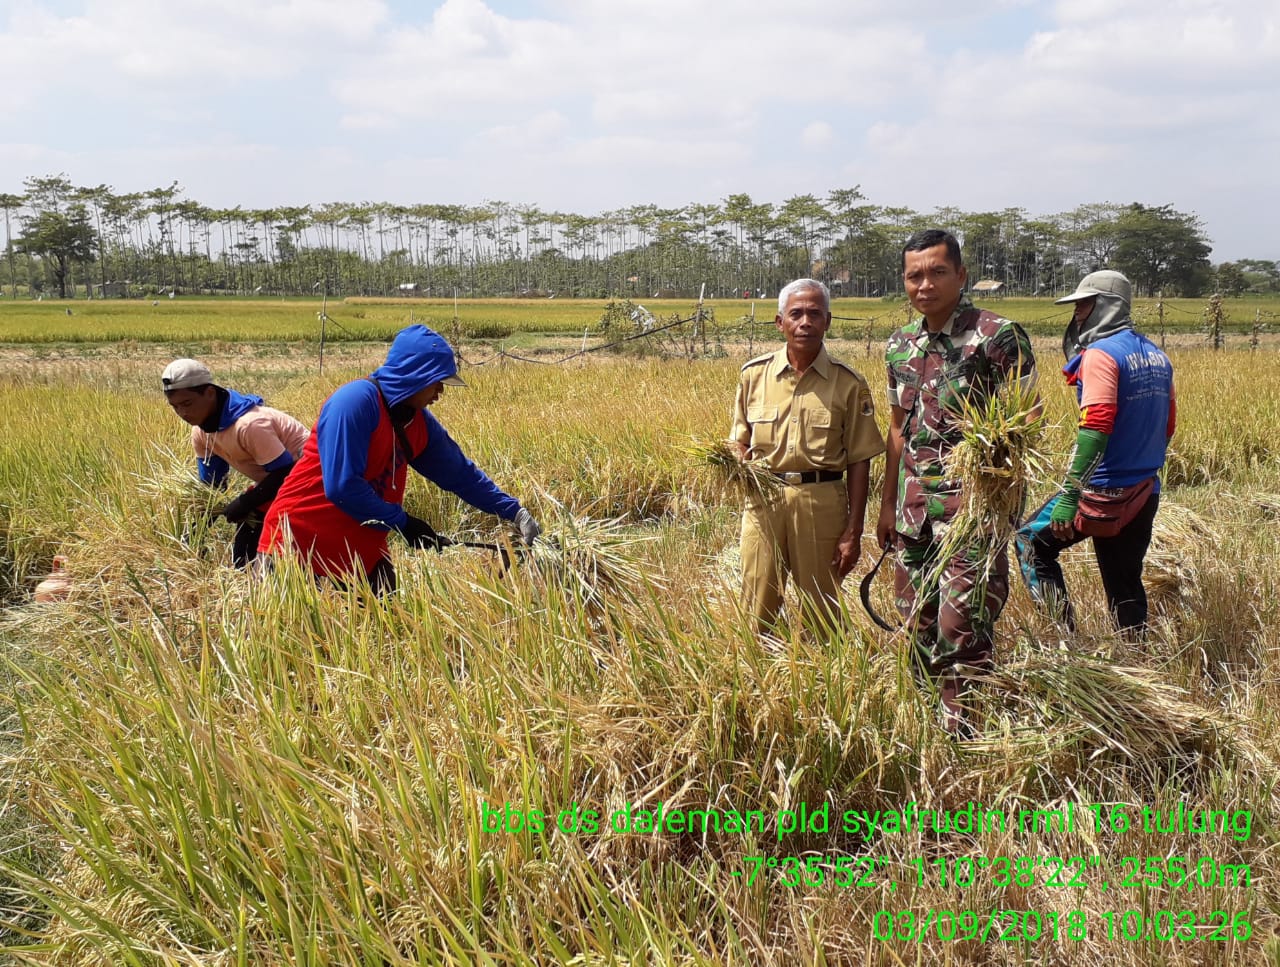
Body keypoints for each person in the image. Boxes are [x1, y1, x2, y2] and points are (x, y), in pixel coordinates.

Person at [875, 229, 1037, 733]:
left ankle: (964, 736)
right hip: (914, 515)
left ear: (961, 275)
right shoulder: (900, 345)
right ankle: (927, 726)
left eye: (937, 272)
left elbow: (1026, 423)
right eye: (914, 275)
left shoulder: (997, 337)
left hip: (971, 516)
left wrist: (998, 506)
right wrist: (887, 505)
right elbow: (897, 431)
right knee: (916, 622)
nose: (925, 284)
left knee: (961, 627)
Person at [259, 324, 541, 594]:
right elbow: (342, 487)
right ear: (415, 375)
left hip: (361, 551)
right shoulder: (355, 402)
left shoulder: (418, 424)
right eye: (437, 382)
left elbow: (461, 475)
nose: (441, 392)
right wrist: (403, 523)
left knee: (385, 624)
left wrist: (515, 512)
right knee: (301, 627)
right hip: (297, 543)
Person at [1015, 270, 1175, 639]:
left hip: (1101, 494)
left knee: (1029, 542)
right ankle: (1134, 655)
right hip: (1144, 490)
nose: (1077, 313)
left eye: (1085, 304)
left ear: (1108, 306)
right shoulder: (1157, 356)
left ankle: (1063, 641)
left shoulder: (1101, 355)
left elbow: (1096, 428)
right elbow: (1168, 426)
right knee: (1124, 581)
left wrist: (1071, 494)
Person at [730, 278, 885, 634]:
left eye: (814, 314)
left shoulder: (849, 383)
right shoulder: (754, 376)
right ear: (779, 322)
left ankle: (825, 665)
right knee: (757, 603)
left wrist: (854, 530)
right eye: (796, 314)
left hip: (821, 502)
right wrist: (738, 457)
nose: (805, 322)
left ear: (827, 321)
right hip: (764, 501)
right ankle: (758, 663)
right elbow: (739, 439)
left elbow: (860, 460)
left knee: (821, 610)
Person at [162, 358, 308, 567]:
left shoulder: (249, 425)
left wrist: (245, 502)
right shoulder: (201, 433)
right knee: (243, 559)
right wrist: (198, 531)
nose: (182, 413)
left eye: (187, 404)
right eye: (175, 406)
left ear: (210, 393)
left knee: (274, 560)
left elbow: (285, 472)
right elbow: (213, 486)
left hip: (307, 483)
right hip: (275, 484)